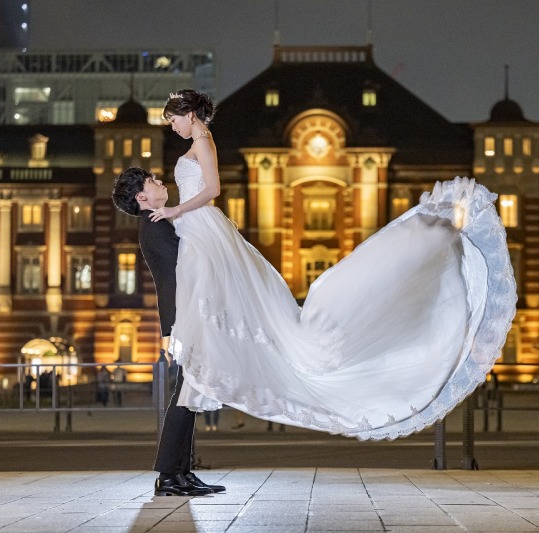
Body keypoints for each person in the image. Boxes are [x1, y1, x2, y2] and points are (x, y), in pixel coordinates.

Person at [151, 89, 516, 440]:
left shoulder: (202, 141)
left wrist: (176, 210)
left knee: (209, 292)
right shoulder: (196, 143)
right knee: (206, 294)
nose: (173, 128)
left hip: (199, 222)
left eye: (174, 121)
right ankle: (205, 361)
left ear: (190, 114)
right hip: (196, 225)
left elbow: (213, 189)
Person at [112, 168, 224, 497]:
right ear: (142, 197)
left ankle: (181, 472)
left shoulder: (157, 223)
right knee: (185, 397)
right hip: (185, 317)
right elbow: (179, 273)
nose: (160, 182)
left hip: (182, 317)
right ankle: (169, 475)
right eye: (152, 181)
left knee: (189, 394)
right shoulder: (155, 224)